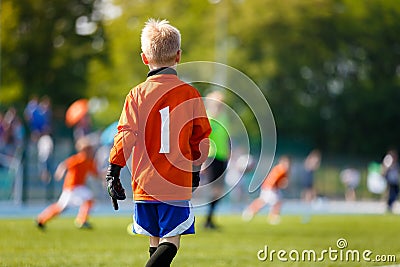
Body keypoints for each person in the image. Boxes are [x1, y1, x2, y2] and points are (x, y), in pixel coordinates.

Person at [105, 19, 211, 267]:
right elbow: (201, 140)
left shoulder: (136, 94)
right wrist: (194, 170)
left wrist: (114, 170)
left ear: (144, 58)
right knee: (171, 241)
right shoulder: (189, 93)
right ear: (178, 56)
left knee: (154, 240)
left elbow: (126, 135)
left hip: (144, 182)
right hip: (175, 180)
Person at [36, 137, 100, 229]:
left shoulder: (88, 161)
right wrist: (59, 173)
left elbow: (96, 174)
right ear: (84, 150)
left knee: (61, 207)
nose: (92, 151)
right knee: (88, 198)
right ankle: (81, 220)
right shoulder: (79, 159)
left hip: (76, 188)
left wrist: (106, 175)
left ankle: (41, 219)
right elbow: (64, 165)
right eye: (89, 149)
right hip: (72, 187)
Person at [203, 90, 230, 229]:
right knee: (213, 189)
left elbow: (225, 139)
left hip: (222, 157)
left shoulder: (223, 118)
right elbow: (203, 140)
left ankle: (209, 220)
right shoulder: (207, 118)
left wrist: (228, 154)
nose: (220, 106)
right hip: (210, 157)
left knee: (218, 191)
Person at [242, 155, 290, 224]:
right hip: (270, 188)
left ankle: (251, 212)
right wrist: (277, 186)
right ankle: (251, 211)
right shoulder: (280, 169)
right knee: (266, 201)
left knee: (272, 201)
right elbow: (273, 179)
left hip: (270, 187)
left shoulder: (282, 170)